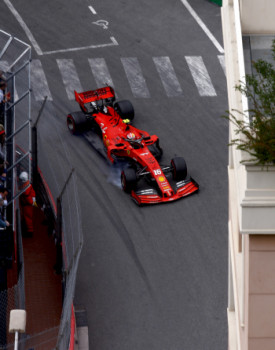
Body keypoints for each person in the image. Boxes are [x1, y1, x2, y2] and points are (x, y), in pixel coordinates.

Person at [19, 171, 37, 237]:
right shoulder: (27, 184)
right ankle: (29, 230)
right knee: (27, 217)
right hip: (28, 204)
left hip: (27, 205)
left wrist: (30, 203)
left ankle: (30, 232)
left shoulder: (26, 189)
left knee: (28, 218)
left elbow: (27, 196)